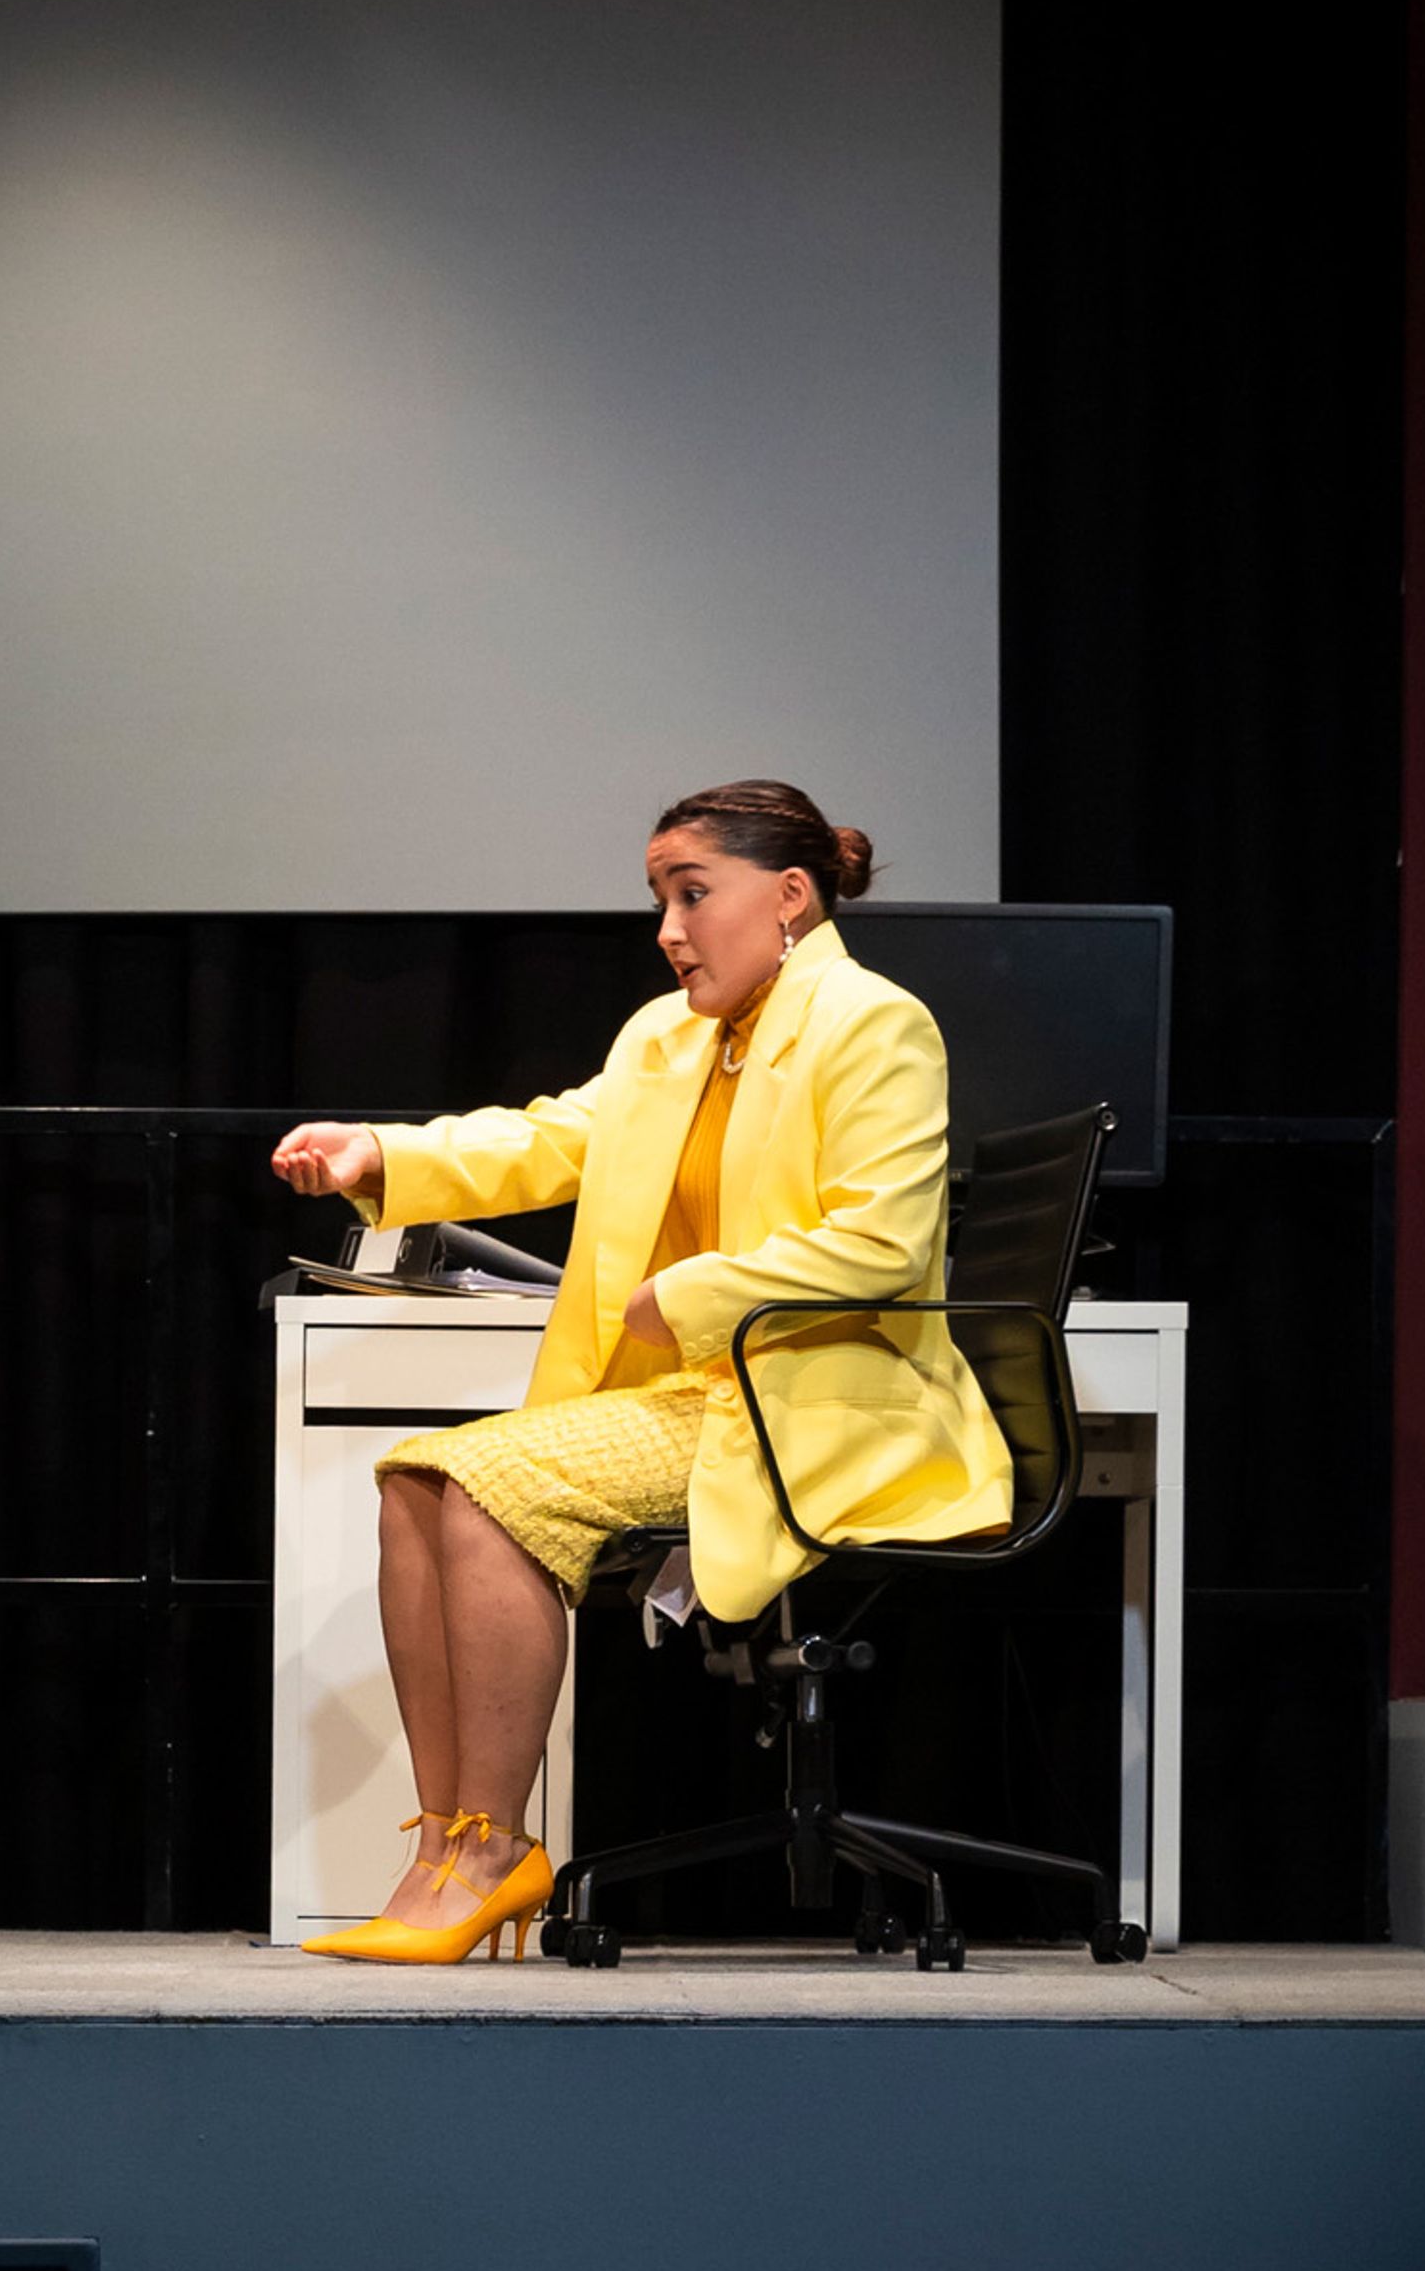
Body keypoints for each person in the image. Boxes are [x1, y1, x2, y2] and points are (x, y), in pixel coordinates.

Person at [269, 777, 1006, 1964]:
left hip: (819, 1401)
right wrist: (381, 1152)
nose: (668, 928)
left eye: (692, 894)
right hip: (694, 1397)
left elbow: (884, 1245)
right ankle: (447, 1849)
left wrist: (700, 1291)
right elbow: (549, 1134)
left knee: (493, 1482)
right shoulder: (666, 1039)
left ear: (791, 898)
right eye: (661, 897)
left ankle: (499, 1849)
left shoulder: (876, 1024)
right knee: (415, 1475)